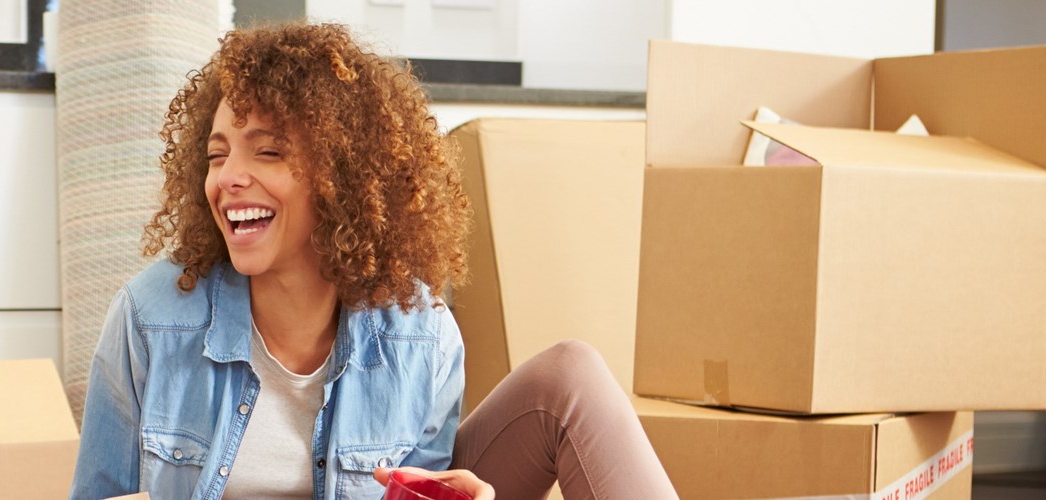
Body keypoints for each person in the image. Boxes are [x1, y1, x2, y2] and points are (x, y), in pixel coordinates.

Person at [70, 23, 677, 500]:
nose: (228, 178)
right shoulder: (150, 320)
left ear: (340, 178)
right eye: (217, 155)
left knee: (570, 373)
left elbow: (420, 482)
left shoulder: (422, 335)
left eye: (270, 151)